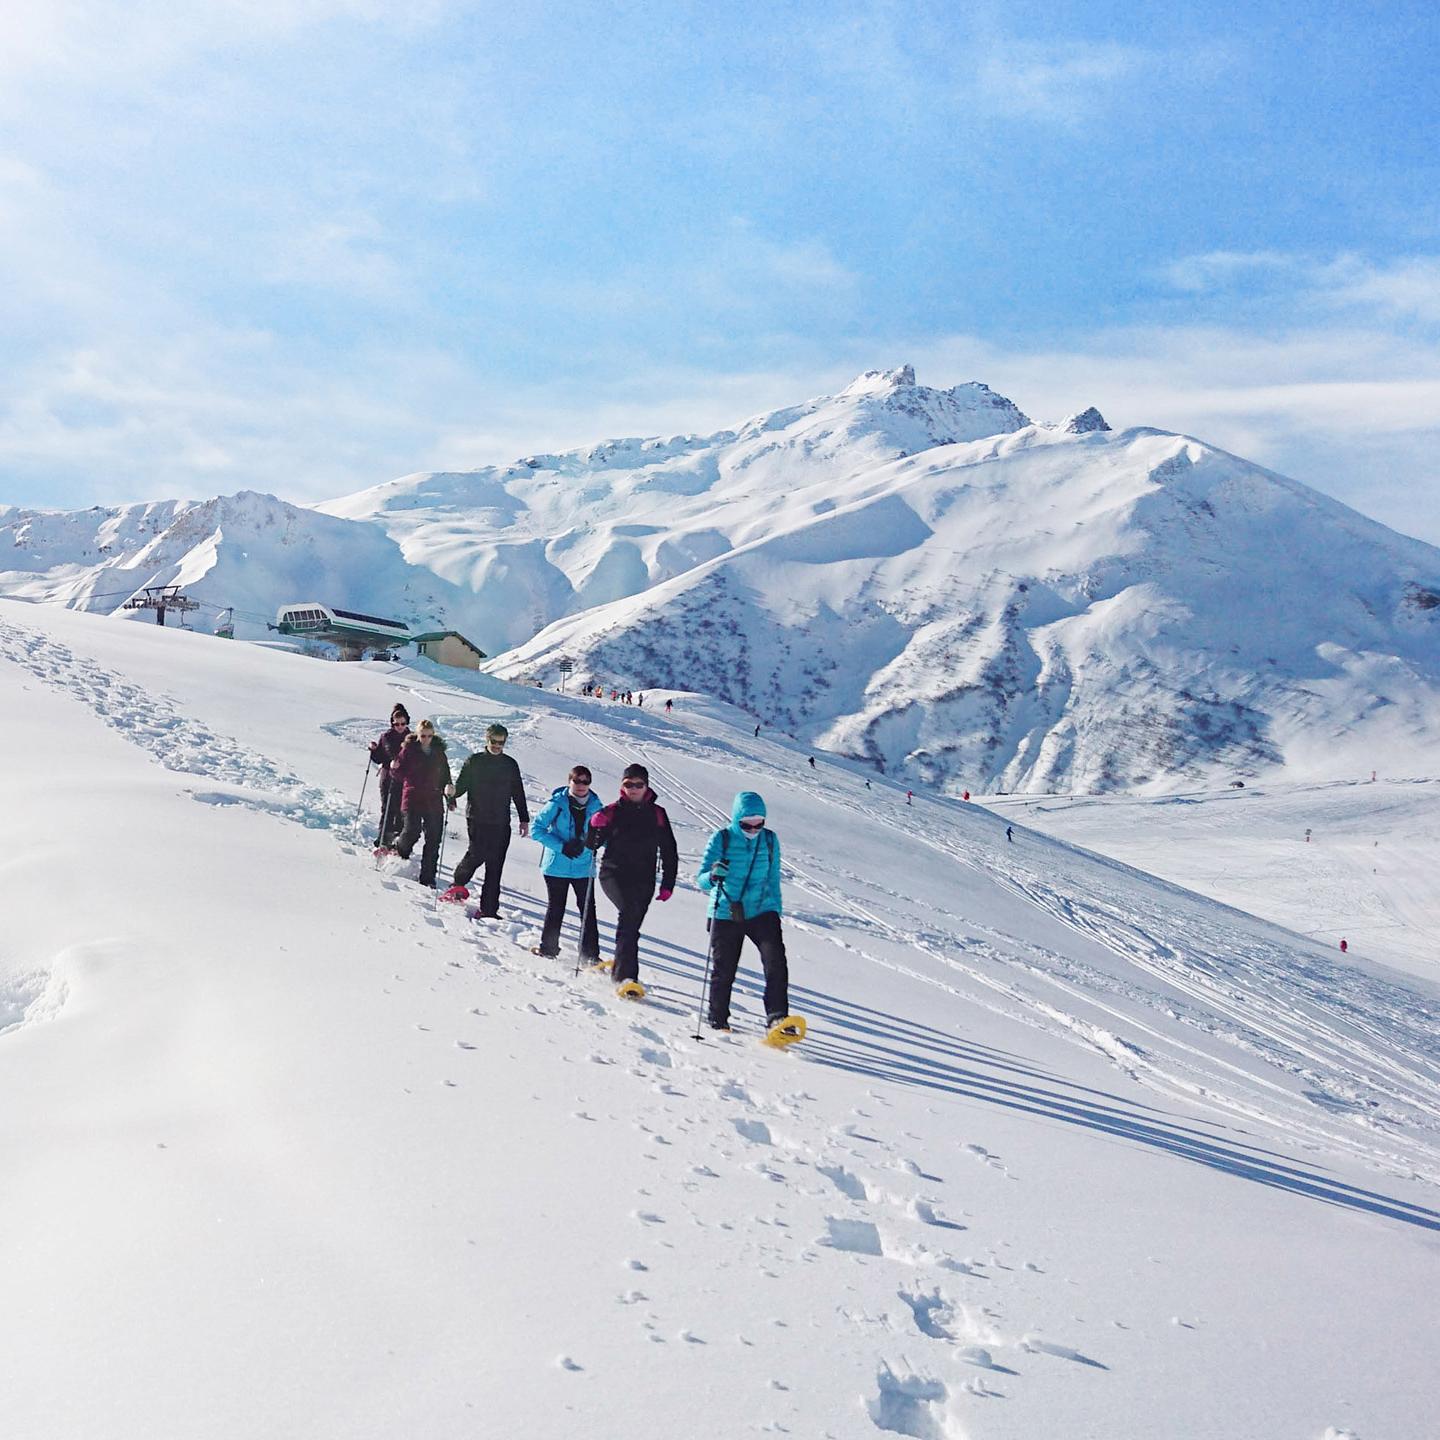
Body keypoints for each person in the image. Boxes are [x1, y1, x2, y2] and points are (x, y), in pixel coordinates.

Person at [696, 791, 789, 1034]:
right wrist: (713, 875)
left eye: (759, 824)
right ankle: (718, 1018)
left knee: (776, 962)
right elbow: (701, 880)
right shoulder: (722, 838)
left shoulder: (769, 840)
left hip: (762, 909)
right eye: (747, 824)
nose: (753, 829)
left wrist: (775, 910)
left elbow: (773, 877)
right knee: (724, 968)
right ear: (737, 819)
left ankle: (777, 1018)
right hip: (727, 910)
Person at [586, 763, 678, 989]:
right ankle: (626, 978)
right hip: (613, 873)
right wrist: (593, 826)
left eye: (639, 784)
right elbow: (592, 845)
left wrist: (668, 883)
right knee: (628, 914)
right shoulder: (612, 811)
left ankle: (622, 963)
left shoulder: (658, 814)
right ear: (622, 786)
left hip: (644, 878)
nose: (634, 789)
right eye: (629, 784)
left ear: (646, 787)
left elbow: (669, 850)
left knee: (632, 925)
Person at [444, 722, 529, 915]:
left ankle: (489, 910)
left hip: (501, 821)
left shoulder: (509, 764)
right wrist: (451, 794)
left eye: (501, 742)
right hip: (477, 818)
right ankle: (458, 882)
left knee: (496, 864)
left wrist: (524, 819)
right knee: (477, 853)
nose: (497, 745)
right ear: (486, 739)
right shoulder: (475, 761)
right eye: (494, 741)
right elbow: (462, 786)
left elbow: (518, 792)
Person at [530, 764, 602, 962]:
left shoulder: (597, 806)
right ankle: (548, 948)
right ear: (569, 781)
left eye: (585, 781)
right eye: (577, 780)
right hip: (557, 865)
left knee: (588, 909)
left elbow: (602, 833)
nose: (581, 785)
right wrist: (562, 847)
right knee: (556, 907)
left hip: (583, 866)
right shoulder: (557, 803)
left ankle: (591, 955)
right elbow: (537, 830)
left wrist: (590, 845)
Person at [389, 719, 453, 887]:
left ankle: (427, 877)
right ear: (418, 735)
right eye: (423, 735)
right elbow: (398, 773)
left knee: (434, 838)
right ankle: (400, 851)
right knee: (412, 831)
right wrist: (394, 768)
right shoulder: (409, 750)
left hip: (433, 799)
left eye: (429, 736)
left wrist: (450, 796)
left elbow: (445, 775)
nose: (426, 739)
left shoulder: (439, 753)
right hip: (413, 796)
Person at [368, 704, 410, 848]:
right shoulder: (386, 737)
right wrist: (374, 750)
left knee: (401, 809)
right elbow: (379, 757)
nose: (399, 726)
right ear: (392, 722)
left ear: (407, 722)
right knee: (387, 807)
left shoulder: (412, 739)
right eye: (396, 723)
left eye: (402, 723)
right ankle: (383, 839)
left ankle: (397, 839)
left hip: (405, 778)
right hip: (388, 776)